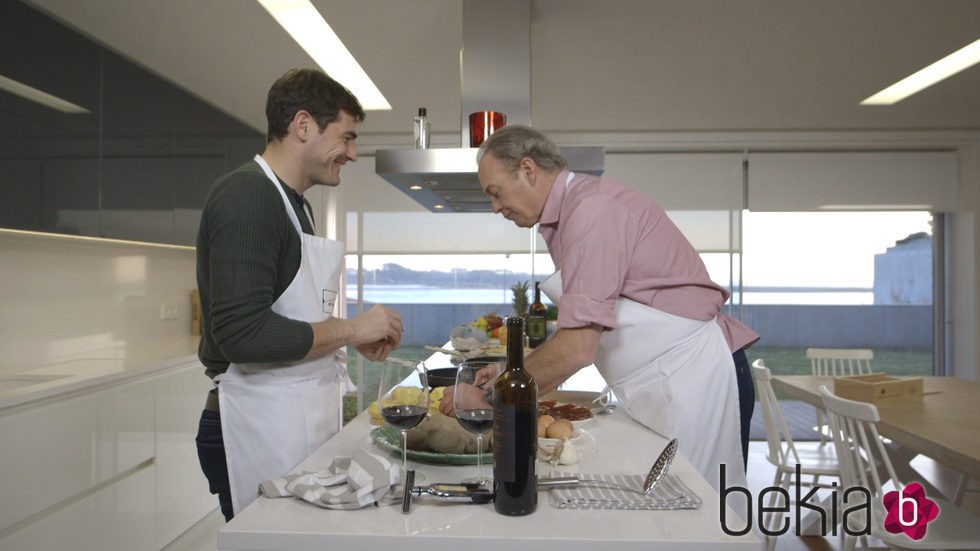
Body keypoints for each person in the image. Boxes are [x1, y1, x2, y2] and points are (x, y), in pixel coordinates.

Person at [472, 124, 759, 504]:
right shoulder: (575, 212)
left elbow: (577, 347)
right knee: (670, 515)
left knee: (699, 518)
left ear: (528, 170)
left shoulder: (592, 211)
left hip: (698, 379)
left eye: (495, 193)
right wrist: (515, 370)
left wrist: (496, 397)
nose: (494, 207)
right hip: (667, 383)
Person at [194, 68, 404, 521]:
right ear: (303, 125)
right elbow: (241, 334)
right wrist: (350, 328)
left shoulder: (296, 205)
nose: (353, 152)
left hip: (290, 421)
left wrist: (346, 338)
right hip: (256, 424)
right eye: (346, 138)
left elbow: (292, 314)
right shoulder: (247, 196)